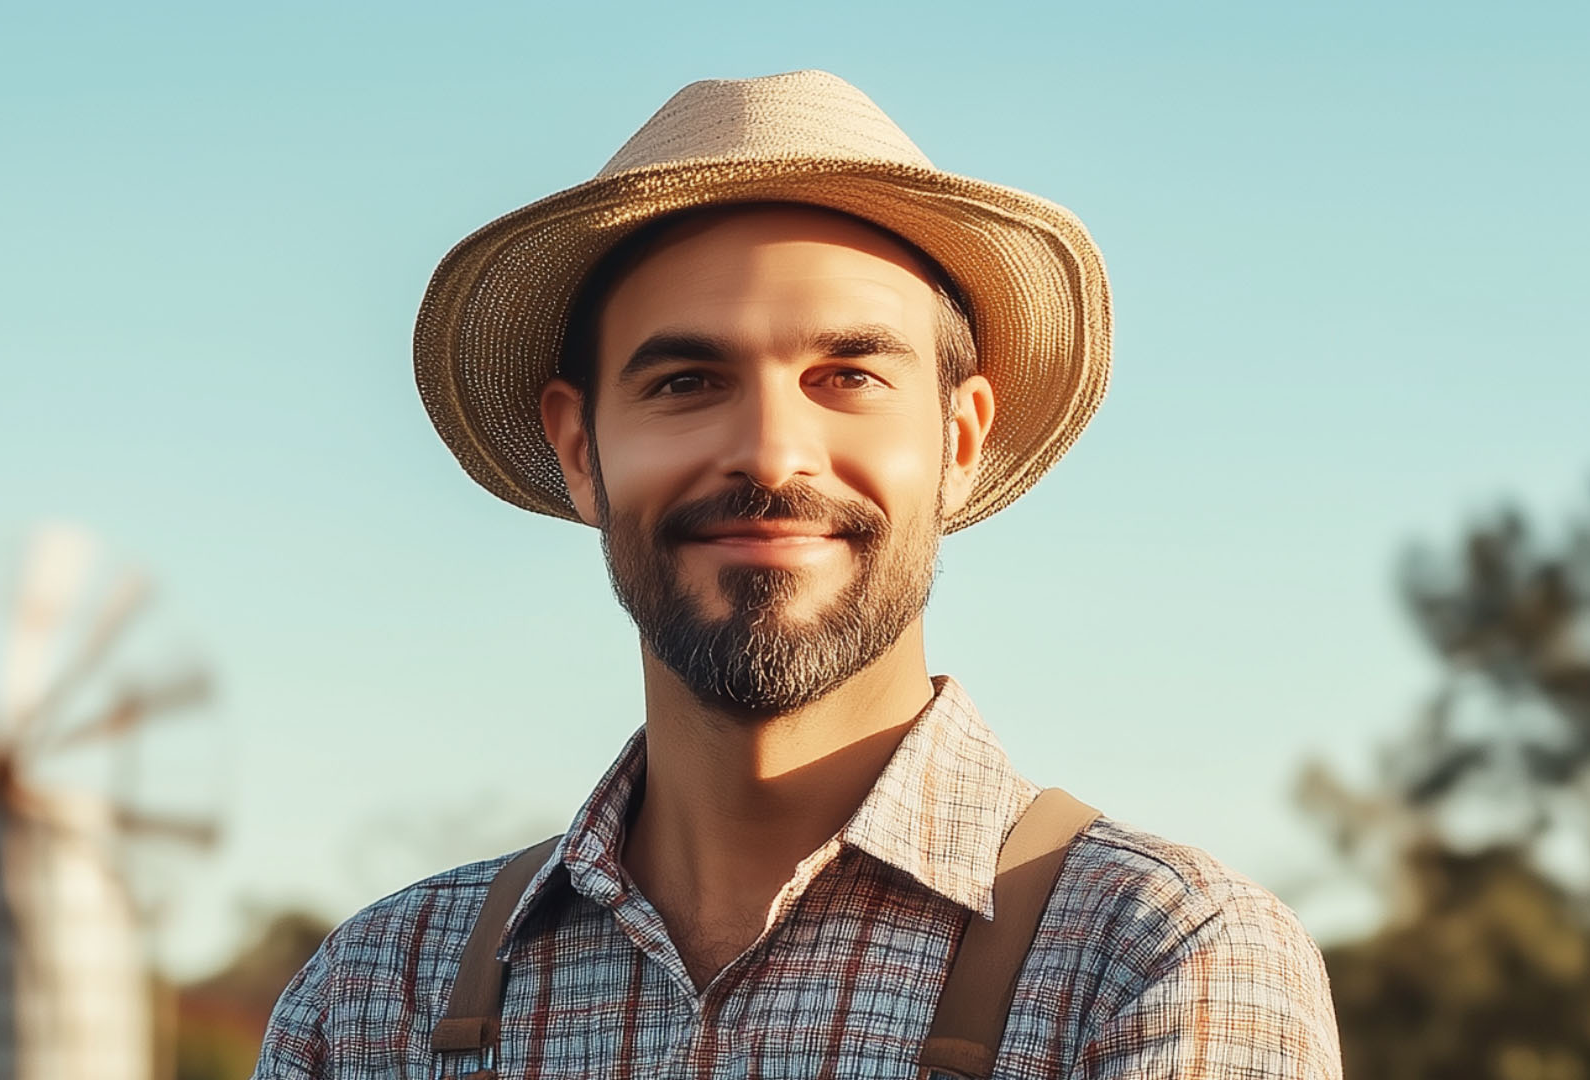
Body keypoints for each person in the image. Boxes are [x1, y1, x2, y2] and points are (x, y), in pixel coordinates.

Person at [254, 69, 1342, 1079]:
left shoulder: (1156, 958)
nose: (773, 455)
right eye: (686, 381)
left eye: (849, 375)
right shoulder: (377, 998)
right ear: (582, 450)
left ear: (960, 441)